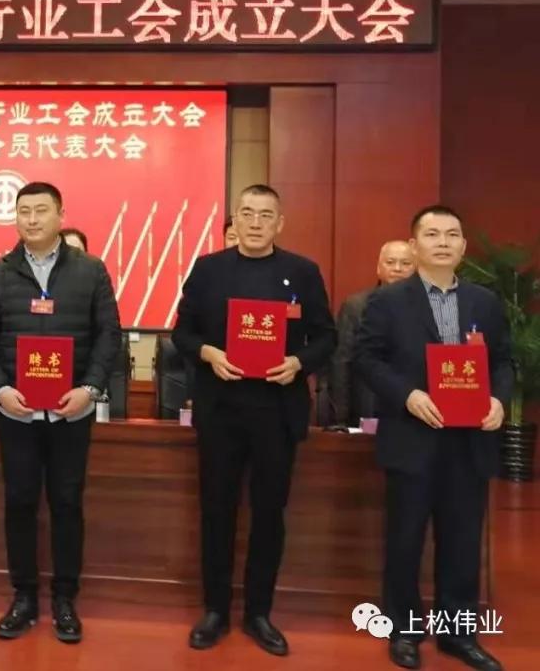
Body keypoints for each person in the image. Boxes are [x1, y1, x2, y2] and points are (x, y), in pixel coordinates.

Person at [172, 184, 336, 656]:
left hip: (277, 412)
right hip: (221, 410)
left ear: (279, 223)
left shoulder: (302, 272)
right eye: (247, 213)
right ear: (235, 220)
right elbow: (183, 332)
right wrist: (208, 353)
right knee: (216, 511)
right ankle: (215, 611)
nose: (256, 222)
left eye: (266, 215)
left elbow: (326, 336)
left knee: (269, 515)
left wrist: (298, 363)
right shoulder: (209, 269)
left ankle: (259, 613)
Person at [355, 206, 510, 671]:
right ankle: (404, 632)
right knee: (405, 542)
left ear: (463, 246)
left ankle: (457, 635)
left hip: (469, 443)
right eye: (432, 234)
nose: (443, 242)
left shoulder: (485, 302)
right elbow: (366, 358)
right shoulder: (388, 301)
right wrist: (407, 395)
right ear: (414, 244)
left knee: (462, 543)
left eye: (452, 234)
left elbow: (503, 361)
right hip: (412, 437)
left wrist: (498, 400)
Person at [0, 181, 121, 644]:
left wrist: (89, 389)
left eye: (40, 211)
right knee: (19, 502)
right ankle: (24, 596)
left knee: (67, 504)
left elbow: (108, 335)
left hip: (71, 413)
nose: (31, 219)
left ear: (60, 215)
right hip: (16, 413)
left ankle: (65, 599)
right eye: (24, 211)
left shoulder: (90, 270)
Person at [325, 240, 415, 425]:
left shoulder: (424, 308)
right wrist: (340, 416)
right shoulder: (356, 306)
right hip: (367, 403)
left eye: (405, 263)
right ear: (378, 269)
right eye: (390, 262)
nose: (397, 268)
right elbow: (341, 362)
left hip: (412, 406)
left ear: (416, 269)